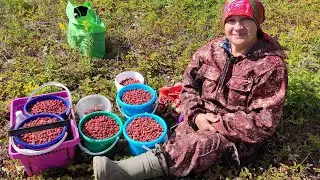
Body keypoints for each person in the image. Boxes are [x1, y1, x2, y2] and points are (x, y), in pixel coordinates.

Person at [93, 0, 288, 179]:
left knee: (200, 144)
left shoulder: (269, 66)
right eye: (232, 20)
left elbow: (264, 122)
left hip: (237, 137)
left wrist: (217, 125)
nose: (238, 27)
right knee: (179, 140)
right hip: (202, 116)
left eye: (246, 20)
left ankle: (122, 173)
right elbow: (189, 85)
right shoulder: (212, 50)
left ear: (257, 23)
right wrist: (196, 116)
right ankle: (156, 164)